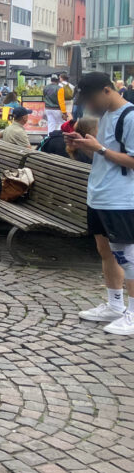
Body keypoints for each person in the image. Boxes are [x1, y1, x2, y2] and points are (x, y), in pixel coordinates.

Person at [67, 72, 134, 334]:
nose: (89, 106)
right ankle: (115, 304)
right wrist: (84, 146)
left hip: (121, 199)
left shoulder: (130, 117)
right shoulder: (105, 116)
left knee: (126, 256)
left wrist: (100, 149)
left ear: (107, 90)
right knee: (105, 251)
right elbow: (105, 156)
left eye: (91, 99)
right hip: (100, 194)